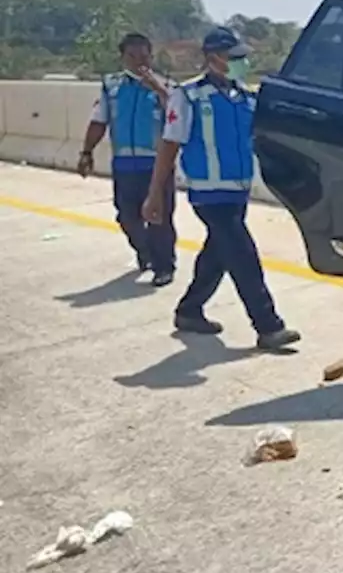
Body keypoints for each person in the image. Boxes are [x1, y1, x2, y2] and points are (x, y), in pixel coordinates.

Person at [141, 27, 300, 350]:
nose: (241, 62)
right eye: (234, 56)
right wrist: (155, 193)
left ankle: (189, 310)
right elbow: (170, 146)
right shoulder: (188, 97)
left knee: (218, 254)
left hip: (237, 191)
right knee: (243, 255)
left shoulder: (245, 97)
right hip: (209, 194)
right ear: (213, 58)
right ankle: (268, 326)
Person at [77, 32, 178, 286]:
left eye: (143, 56)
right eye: (131, 56)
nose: (138, 62)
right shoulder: (111, 87)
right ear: (122, 57)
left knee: (159, 217)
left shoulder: (167, 87)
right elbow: (99, 121)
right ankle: (145, 251)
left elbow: (177, 116)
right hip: (124, 165)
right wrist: (86, 152)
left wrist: (157, 88)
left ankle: (164, 266)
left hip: (157, 166)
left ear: (151, 57)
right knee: (126, 217)